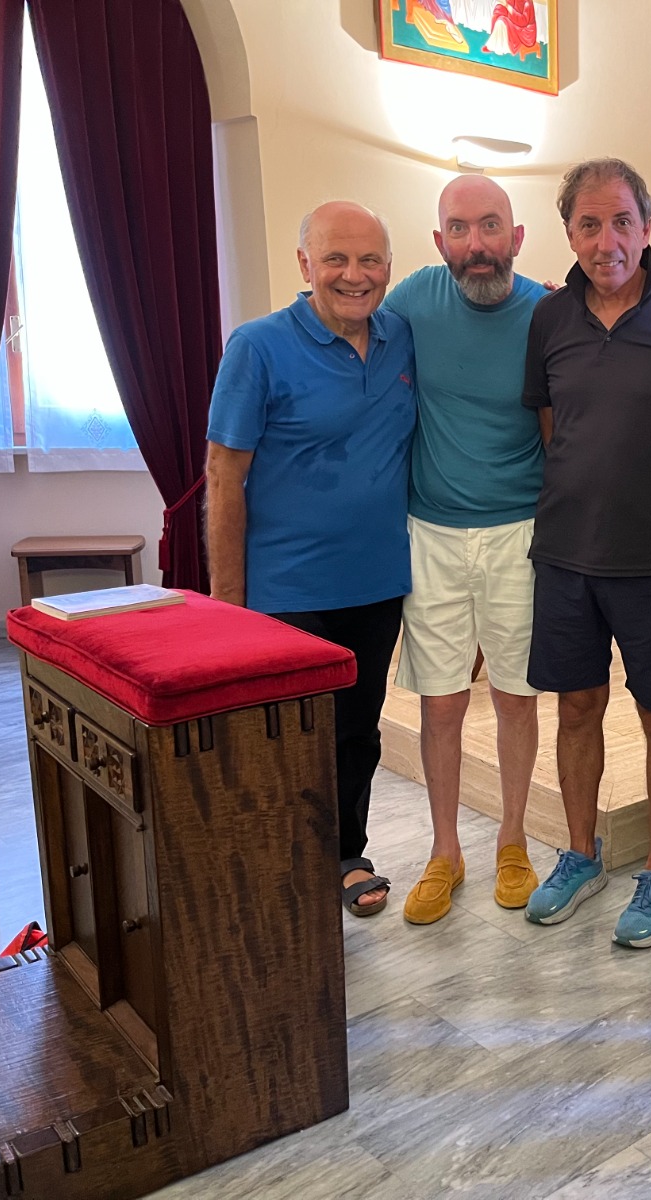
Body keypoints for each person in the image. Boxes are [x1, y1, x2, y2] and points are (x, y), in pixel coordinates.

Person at [520, 158, 651, 948]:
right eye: (589, 225)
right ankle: (580, 855)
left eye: (621, 222)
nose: (606, 241)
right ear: (569, 233)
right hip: (566, 556)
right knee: (576, 709)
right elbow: (552, 429)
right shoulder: (548, 319)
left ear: (647, 226)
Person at [207, 201, 416, 917]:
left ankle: (346, 853)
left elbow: (478, 303)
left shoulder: (401, 337)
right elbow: (223, 475)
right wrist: (228, 607)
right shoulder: (257, 347)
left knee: (356, 734)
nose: (354, 275)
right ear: (305, 264)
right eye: (336, 259)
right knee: (283, 743)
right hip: (287, 591)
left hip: (378, 584)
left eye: (370, 260)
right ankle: (275, 868)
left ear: (388, 267)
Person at [383, 175, 549, 926]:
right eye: (459, 228)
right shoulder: (414, 299)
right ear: (439, 240)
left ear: (517, 237)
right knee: (441, 700)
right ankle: (444, 851)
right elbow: (352, 336)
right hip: (434, 532)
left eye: (490, 226)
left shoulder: (547, 311)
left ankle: (513, 841)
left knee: (516, 694)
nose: (476, 244)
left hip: (521, 533)